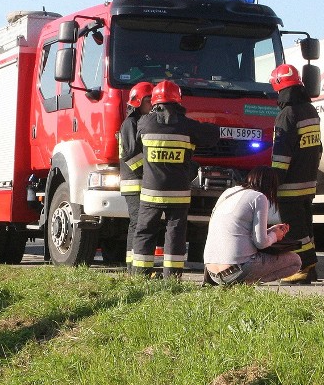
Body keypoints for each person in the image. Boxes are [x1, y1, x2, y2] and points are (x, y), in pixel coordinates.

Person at [132, 80, 220, 278]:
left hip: (150, 192)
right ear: (178, 101)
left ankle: (140, 274)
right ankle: (172, 276)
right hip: (178, 193)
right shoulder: (188, 126)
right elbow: (212, 136)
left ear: (155, 101)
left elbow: (134, 149)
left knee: (145, 231)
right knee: (175, 233)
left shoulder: (144, 123)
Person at [269, 63, 323, 284]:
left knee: (295, 229)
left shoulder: (286, 115)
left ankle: (303, 267)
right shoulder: (310, 111)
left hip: (289, 185)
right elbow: (318, 148)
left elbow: (281, 155)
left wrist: (273, 180)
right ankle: (310, 268)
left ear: (280, 87)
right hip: (308, 183)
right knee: (306, 227)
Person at [204, 166, 301, 285]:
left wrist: (270, 230)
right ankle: (246, 283)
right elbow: (261, 243)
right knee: (295, 261)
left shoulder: (229, 192)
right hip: (235, 270)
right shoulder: (259, 197)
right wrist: (275, 235)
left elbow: (237, 231)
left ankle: (237, 285)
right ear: (271, 185)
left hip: (212, 272)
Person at [119, 81, 153, 271]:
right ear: (139, 102)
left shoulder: (138, 122)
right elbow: (131, 154)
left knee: (137, 223)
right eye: (149, 101)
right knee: (138, 223)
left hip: (139, 180)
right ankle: (133, 266)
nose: (153, 106)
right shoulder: (130, 123)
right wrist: (148, 173)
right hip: (134, 181)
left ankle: (132, 265)